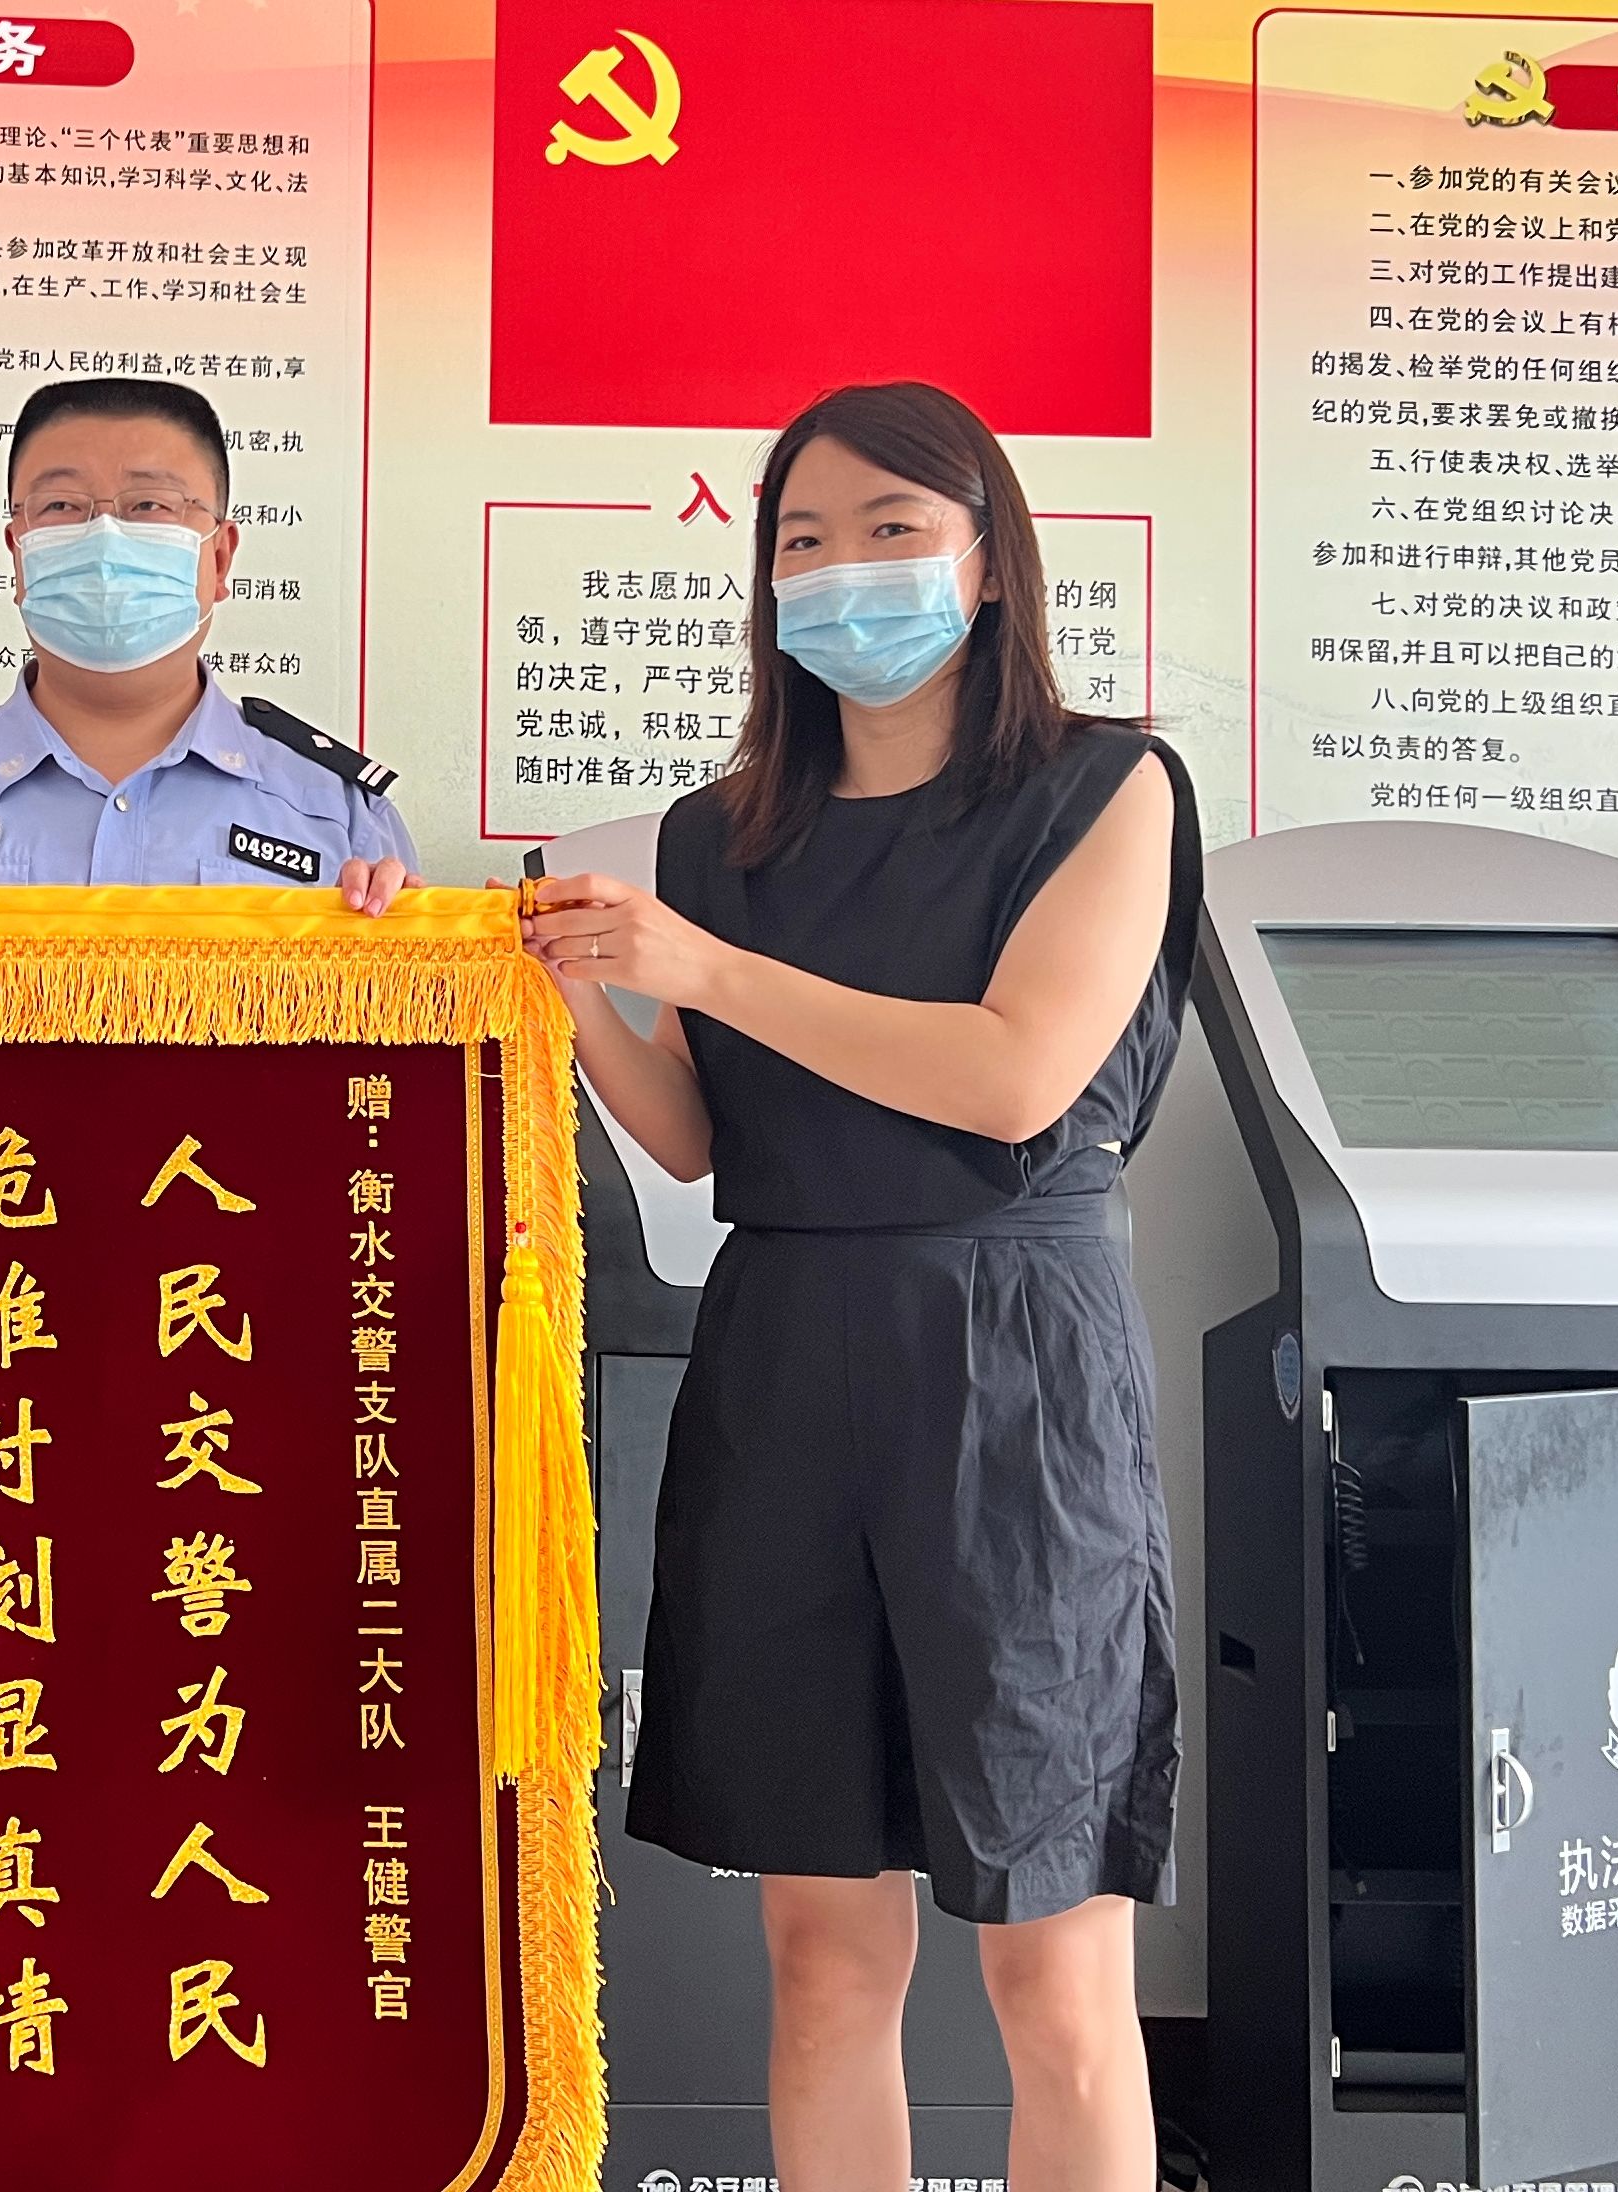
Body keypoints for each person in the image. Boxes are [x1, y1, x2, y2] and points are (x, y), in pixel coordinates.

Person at [519, 382, 1194, 2192]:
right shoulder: (716, 836)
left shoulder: (1105, 788)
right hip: (782, 1359)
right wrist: (583, 995)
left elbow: (1011, 1076)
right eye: (800, 541)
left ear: (987, 559)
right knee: (820, 1952)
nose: (840, 572)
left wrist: (701, 973)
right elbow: (692, 1141)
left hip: (1013, 1369)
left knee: (1051, 1967)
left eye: (889, 529)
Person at [0, 376, 416, 914]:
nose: (105, 539)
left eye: (150, 504)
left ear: (219, 558)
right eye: (61, 505)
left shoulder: (342, 820)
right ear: (19, 556)